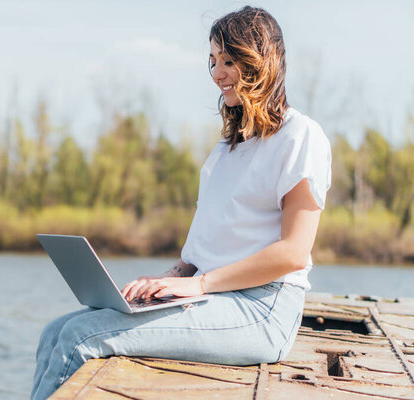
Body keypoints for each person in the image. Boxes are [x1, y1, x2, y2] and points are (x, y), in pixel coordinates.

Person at [31, 6, 331, 400]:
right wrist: (163, 282)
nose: (217, 73)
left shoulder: (301, 136)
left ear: (262, 62)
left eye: (229, 60)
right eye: (212, 61)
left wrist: (198, 284)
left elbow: (293, 253)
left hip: (263, 310)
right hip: (213, 297)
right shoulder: (227, 149)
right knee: (55, 331)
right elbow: (201, 248)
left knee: (79, 338)